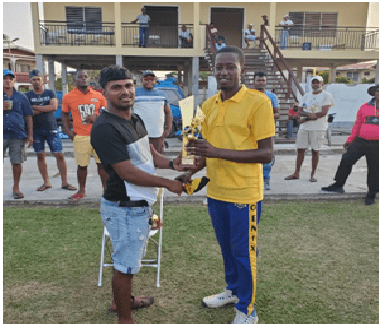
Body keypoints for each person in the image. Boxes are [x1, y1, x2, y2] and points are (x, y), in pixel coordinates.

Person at [90, 65, 188, 324]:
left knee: (130, 262)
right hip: (124, 207)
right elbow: (128, 172)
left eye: (128, 86)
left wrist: (171, 165)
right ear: (104, 92)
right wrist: (168, 184)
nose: (125, 92)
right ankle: (125, 318)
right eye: (117, 87)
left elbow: (148, 154)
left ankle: (123, 301)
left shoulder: (134, 119)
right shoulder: (104, 128)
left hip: (138, 204)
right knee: (125, 267)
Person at [186, 46, 275, 324]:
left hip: (244, 194)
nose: (224, 72)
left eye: (230, 67)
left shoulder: (258, 102)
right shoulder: (209, 105)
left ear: (242, 69)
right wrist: (191, 170)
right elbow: (204, 150)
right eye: (219, 67)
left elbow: (266, 153)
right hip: (216, 191)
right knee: (226, 247)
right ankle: (234, 291)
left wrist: (215, 152)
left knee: (243, 252)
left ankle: (248, 309)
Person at [321, 84, 379, 206]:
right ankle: (338, 184)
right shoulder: (364, 107)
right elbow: (357, 124)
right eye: (377, 91)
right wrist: (350, 140)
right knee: (346, 159)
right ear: (374, 93)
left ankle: (371, 194)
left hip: (377, 144)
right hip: (361, 140)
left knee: (374, 169)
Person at [25, 69, 77, 192]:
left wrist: (35, 107)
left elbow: (53, 107)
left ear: (42, 80)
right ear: (30, 81)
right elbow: (29, 114)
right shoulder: (28, 96)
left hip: (52, 129)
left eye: (38, 79)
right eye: (34, 80)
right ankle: (46, 182)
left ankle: (64, 182)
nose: (36, 81)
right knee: (40, 155)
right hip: (37, 131)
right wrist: (44, 108)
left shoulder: (50, 93)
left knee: (59, 155)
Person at [62, 70, 108, 201]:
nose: (83, 79)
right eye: (80, 77)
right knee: (82, 166)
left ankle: (106, 190)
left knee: (102, 165)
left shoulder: (99, 96)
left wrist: (97, 116)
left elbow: (108, 113)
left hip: (99, 135)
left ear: (89, 79)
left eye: (85, 77)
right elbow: (64, 114)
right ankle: (81, 191)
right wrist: (68, 131)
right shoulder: (68, 97)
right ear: (75, 80)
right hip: (80, 136)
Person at [285, 75, 333, 182]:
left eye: (318, 82)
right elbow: (300, 111)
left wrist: (307, 117)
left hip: (318, 128)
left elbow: (323, 112)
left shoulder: (326, 95)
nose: (315, 85)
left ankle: (313, 174)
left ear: (322, 84)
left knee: (315, 150)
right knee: (300, 149)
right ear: (311, 84)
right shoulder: (306, 96)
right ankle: (296, 173)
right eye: (314, 82)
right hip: (304, 127)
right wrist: (309, 117)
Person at [3, 69, 33, 199]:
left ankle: (16, 187)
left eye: (10, 78)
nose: (8, 80)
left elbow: (29, 116)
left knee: (16, 162)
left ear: (14, 80)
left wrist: (30, 135)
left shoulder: (22, 97)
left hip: (17, 134)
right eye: (5, 78)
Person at [133, 70, 173, 154]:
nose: (149, 81)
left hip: (157, 135)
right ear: (142, 80)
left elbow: (168, 112)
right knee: (141, 161)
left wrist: (168, 129)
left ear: (155, 80)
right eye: (147, 79)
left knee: (157, 160)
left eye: (152, 79)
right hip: (139, 135)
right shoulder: (134, 93)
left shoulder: (162, 94)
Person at [254, 71, 280, 190]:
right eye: (258, 80)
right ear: (254, 82)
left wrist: (264, 115)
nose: (261, 83)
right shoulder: (249, 96)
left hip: (267, 131)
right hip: (251, 131)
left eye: (263, 80)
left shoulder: (271, 97)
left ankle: (266, 179)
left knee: (266, 155)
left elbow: (277, 114)